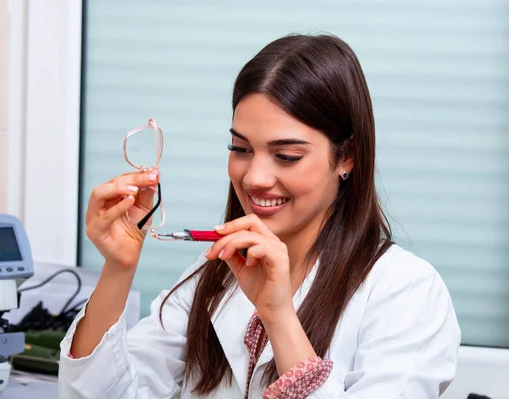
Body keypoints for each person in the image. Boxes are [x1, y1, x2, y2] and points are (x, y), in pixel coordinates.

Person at [57, 33, 461, 398]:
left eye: (287, 156)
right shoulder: (212, 272)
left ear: (348, 157)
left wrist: (279, 316)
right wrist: (118, 269)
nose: (254, 177)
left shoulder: (405, 293)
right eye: (241, 149)